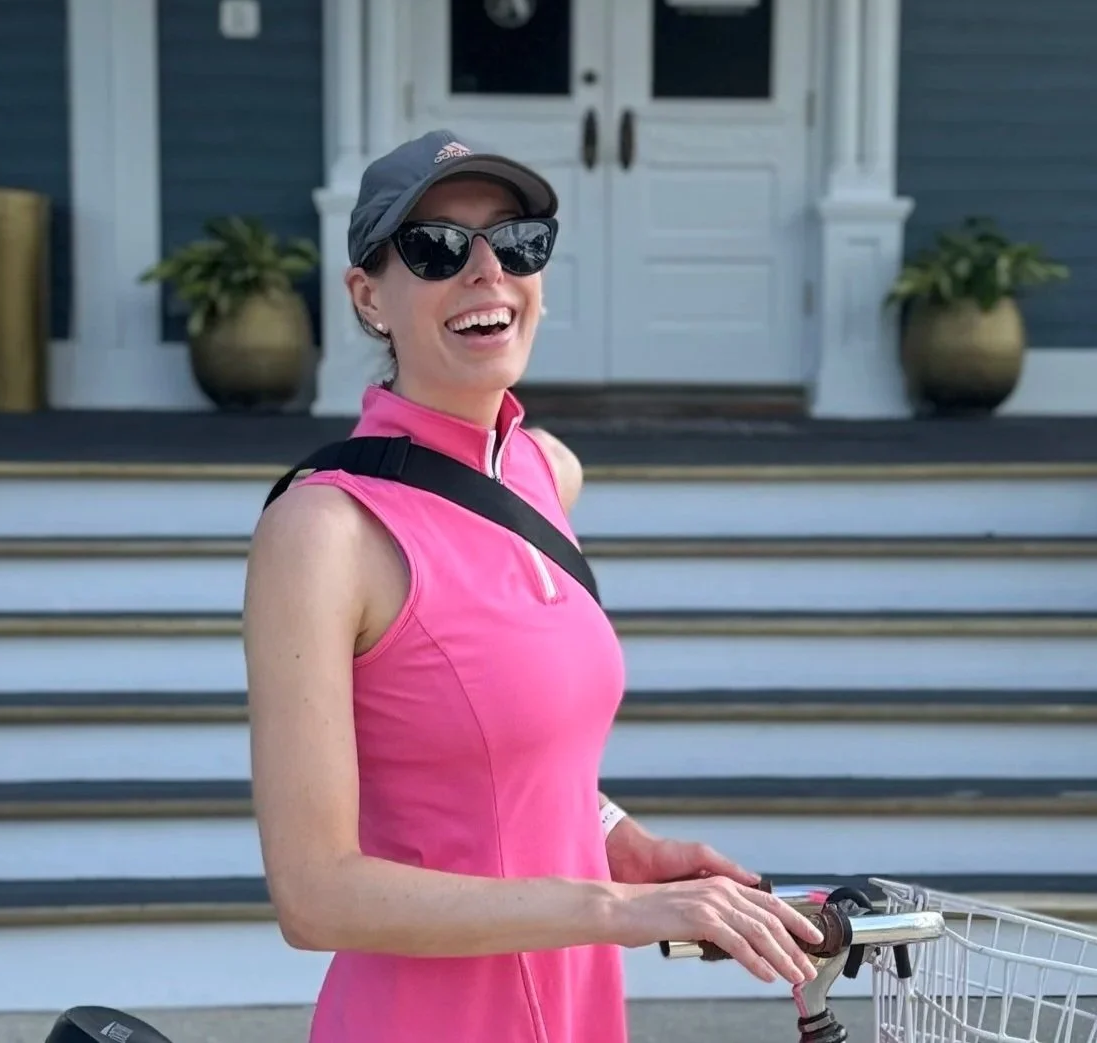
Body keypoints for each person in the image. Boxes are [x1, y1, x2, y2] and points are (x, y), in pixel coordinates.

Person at [246, 128, 825, 1043]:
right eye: (436, 247)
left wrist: (621, 840)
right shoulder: (326, 531)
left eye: (516, 242)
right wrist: (616, 909)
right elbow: (315, 895)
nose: (487, 272)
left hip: (576, 1010)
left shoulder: (544, 472)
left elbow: (502, 756)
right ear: (368, 296)